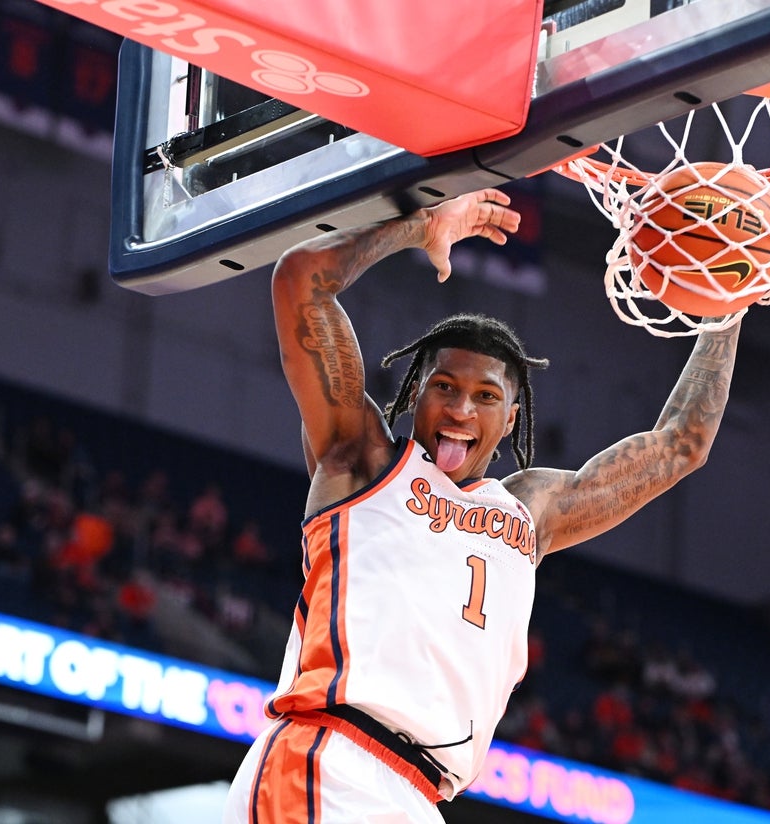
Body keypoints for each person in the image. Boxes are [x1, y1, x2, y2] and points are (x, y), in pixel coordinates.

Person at [223, 188, 741, 823]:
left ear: (512, 418)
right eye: (444, 386)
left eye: (485, 396)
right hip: (331, 761)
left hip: (419, 796)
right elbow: (300, 281)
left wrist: (729, 303)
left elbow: (681, 445)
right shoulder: (362, 461)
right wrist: (419, 228)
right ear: (415, 393)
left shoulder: (532, 511)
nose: (461, 409)